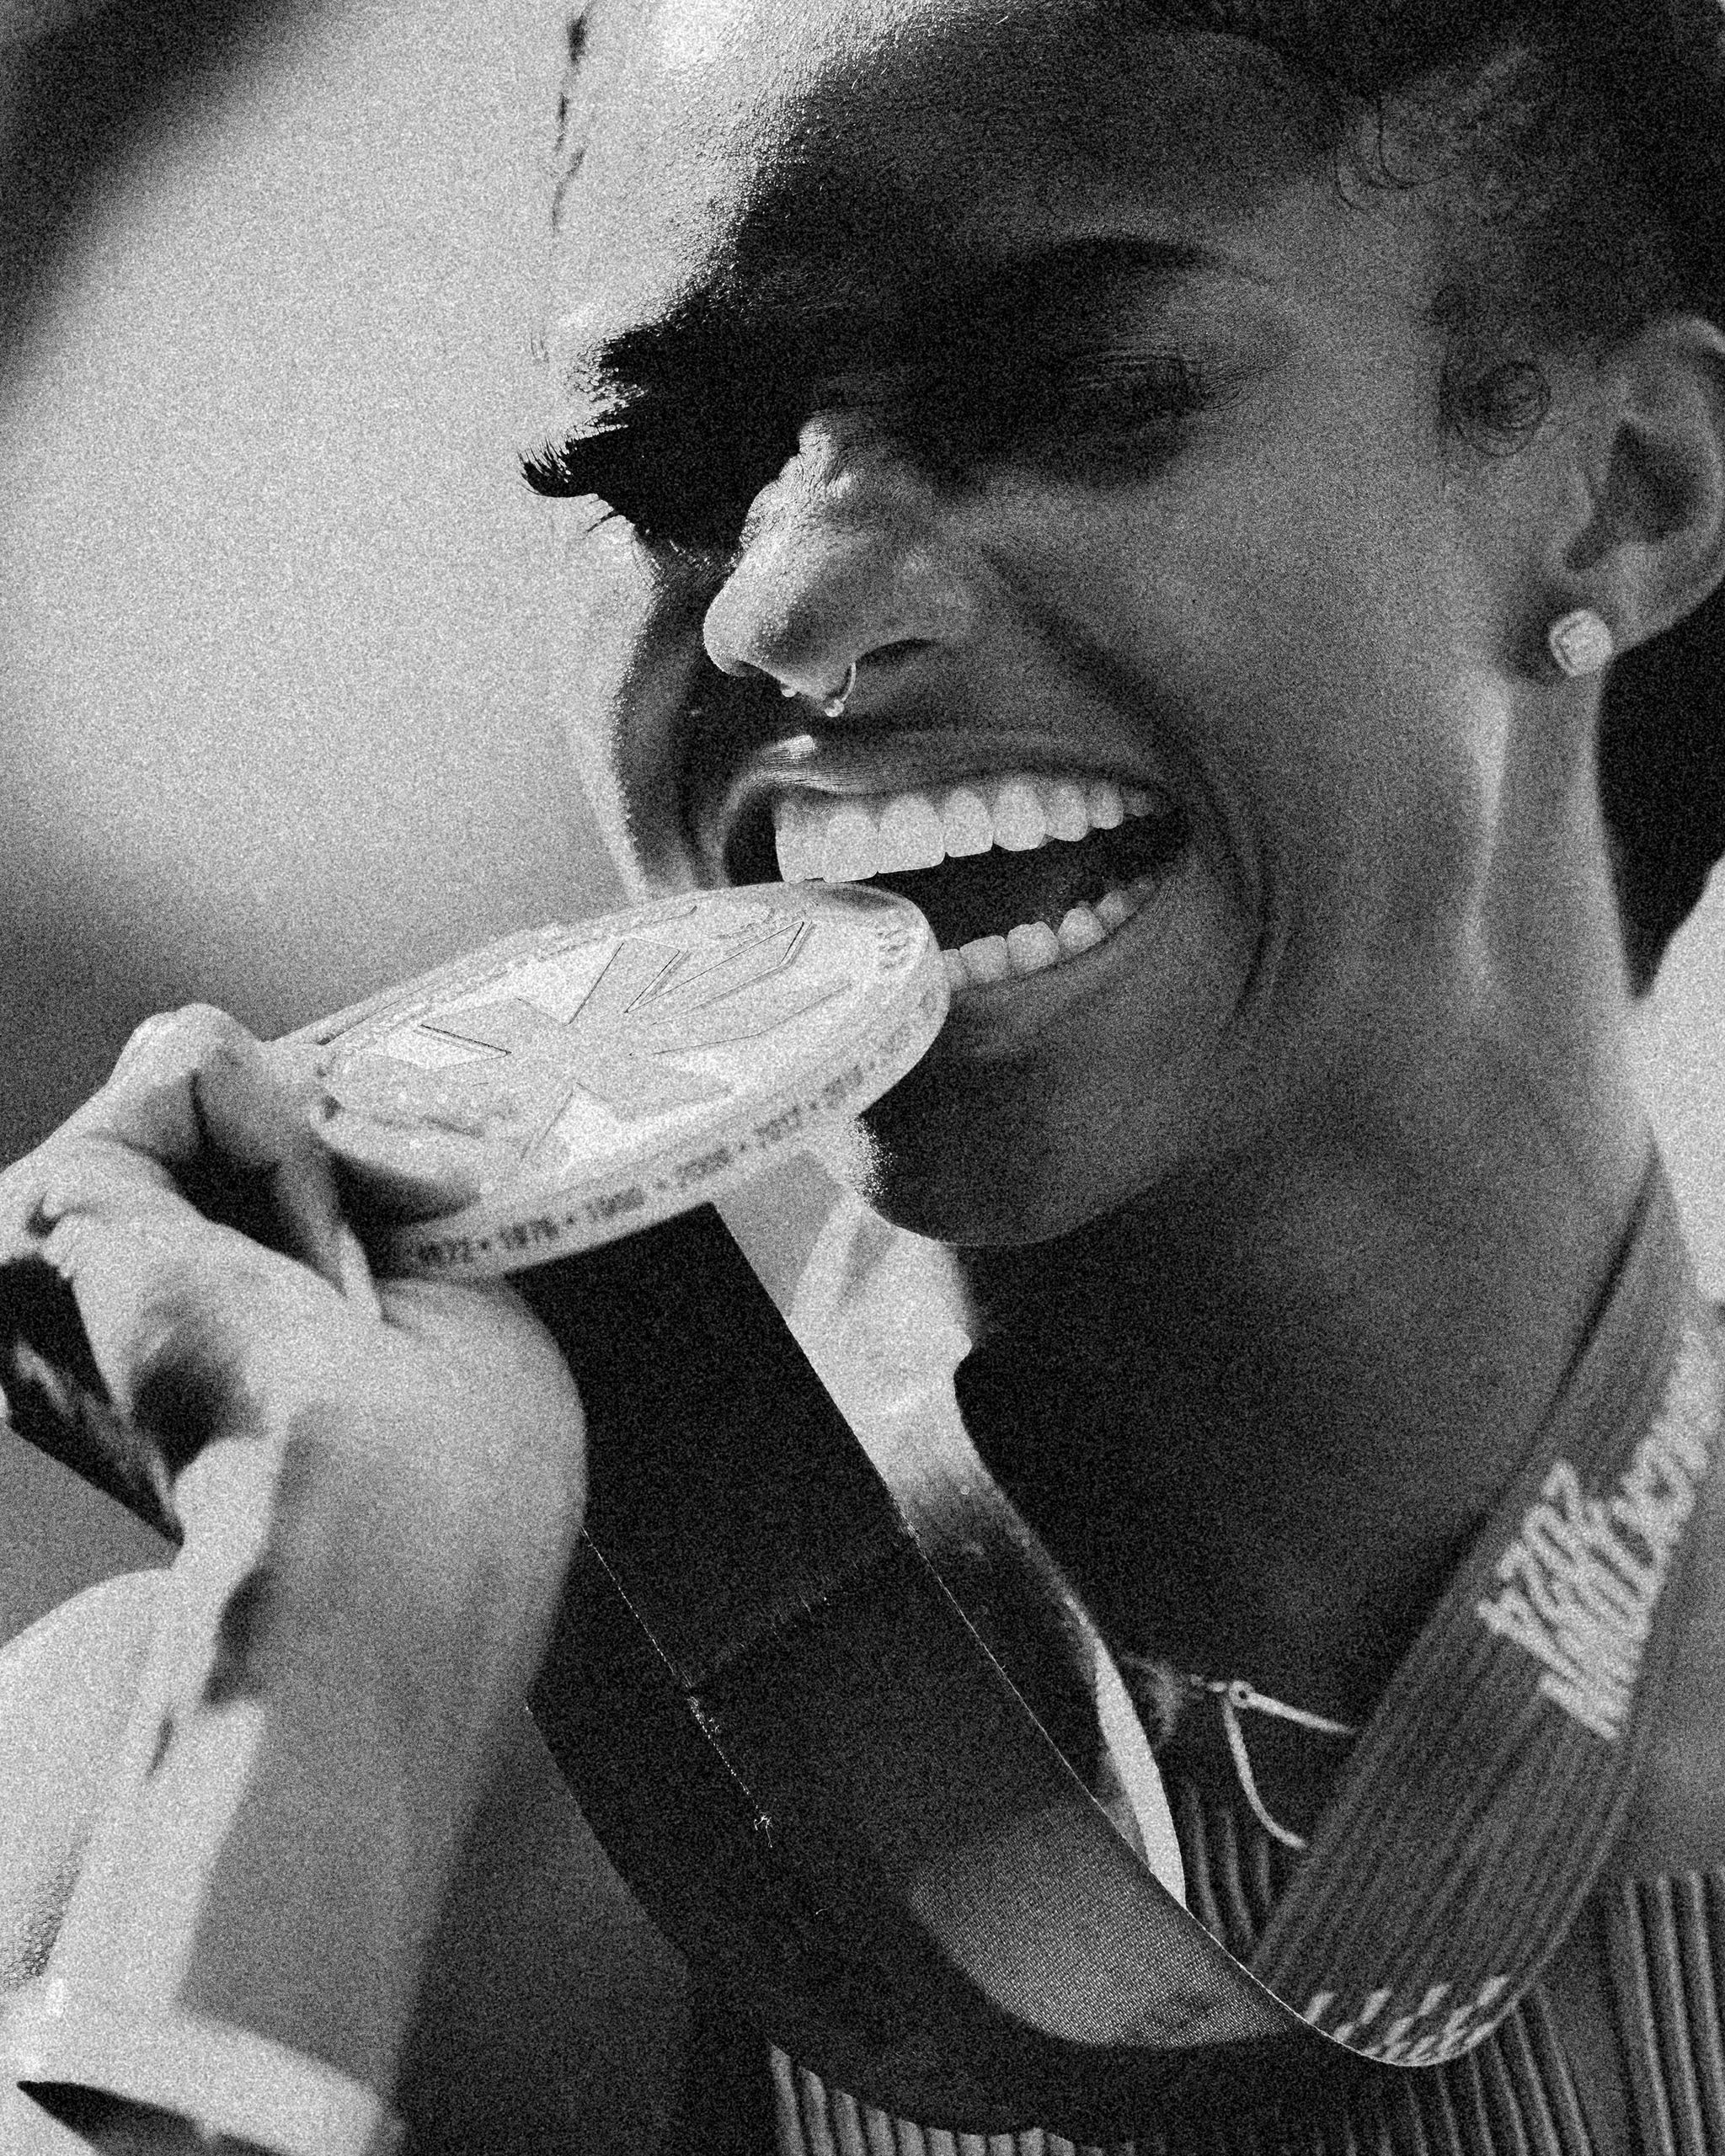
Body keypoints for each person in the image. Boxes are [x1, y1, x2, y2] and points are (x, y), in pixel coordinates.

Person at [3, 0, 1725, 2148]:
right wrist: (310, 1688)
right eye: (654, 471)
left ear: (1623, 489)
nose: (791, 607)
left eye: (1081, 394)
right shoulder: (238, 1782)